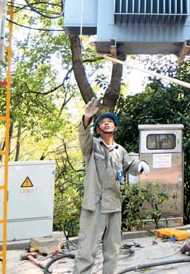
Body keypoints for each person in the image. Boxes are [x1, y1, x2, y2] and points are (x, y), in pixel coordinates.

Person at [75, 98, 150, 274]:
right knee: (87, 251)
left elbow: (129, 166)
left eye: (110, 122)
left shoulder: (120, 150)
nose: (107, 124)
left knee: (113, 250)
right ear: (98, 129)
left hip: (114, 205)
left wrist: (139, 165)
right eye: (102, 122)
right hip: (95, 206)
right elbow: (83, 134)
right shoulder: (92, 146)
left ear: (115, 127)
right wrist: (87, 117)